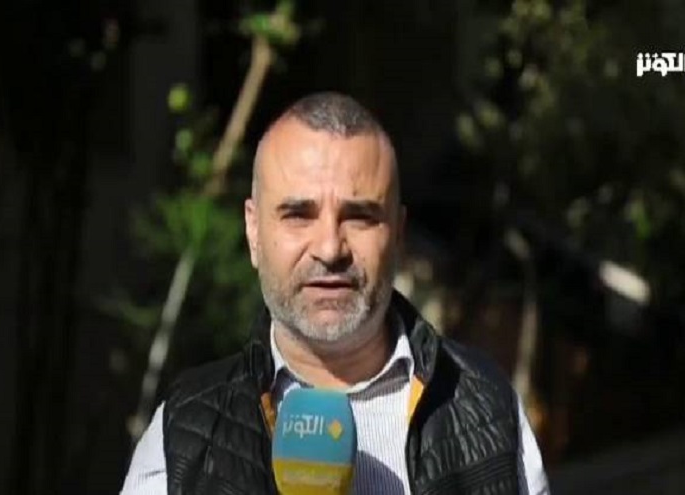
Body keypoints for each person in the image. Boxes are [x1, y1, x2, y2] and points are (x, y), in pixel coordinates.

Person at [120, 92, 550, 495]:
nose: (329, 248)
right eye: (298, 214)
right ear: (253, 231)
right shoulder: (184, 434)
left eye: (359, 216)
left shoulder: (486, 408)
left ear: (398, 235)